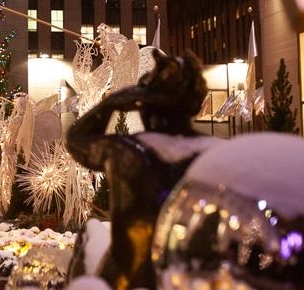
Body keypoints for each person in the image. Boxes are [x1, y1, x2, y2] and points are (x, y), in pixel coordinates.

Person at [66, 50, 210, 289]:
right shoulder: (217, 154)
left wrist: (111, 104)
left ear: (144, 101)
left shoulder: (127, 152)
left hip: (127, 282)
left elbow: (76, 139)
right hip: (193, 282)